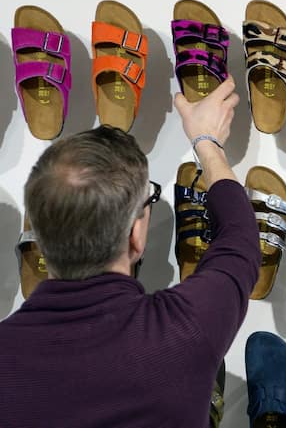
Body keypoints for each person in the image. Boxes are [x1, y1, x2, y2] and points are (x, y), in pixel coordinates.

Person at [0, 78, 259, 427]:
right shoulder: (185, 330)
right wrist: (206, 142)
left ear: (41, 239)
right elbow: (240, 236)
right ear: (136, 235)